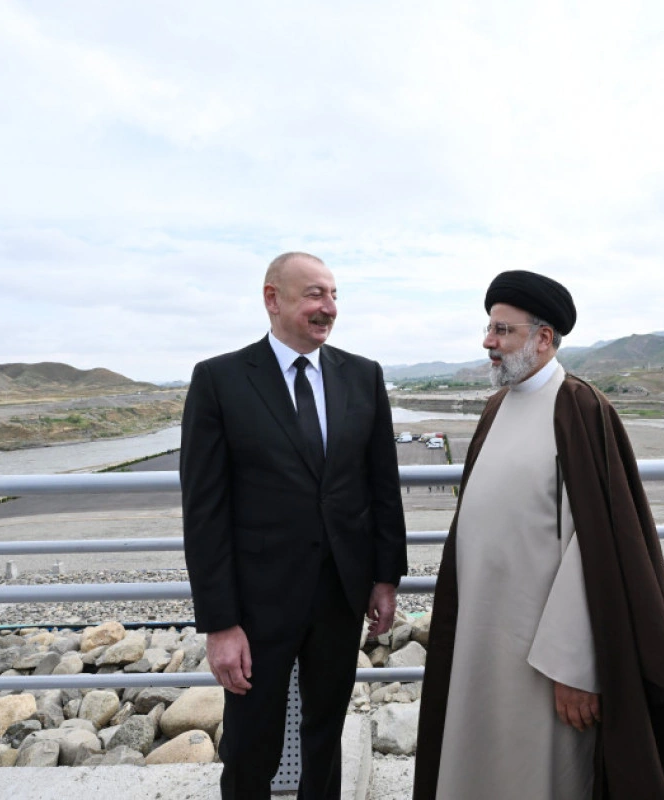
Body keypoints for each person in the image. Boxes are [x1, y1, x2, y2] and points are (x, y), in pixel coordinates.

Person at [414, 270, 664, 799]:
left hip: (541, 662)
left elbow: (595, 552)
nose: (488, 342)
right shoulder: (497, 408)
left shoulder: (579, 408)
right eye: (488, 328)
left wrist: (576, 668)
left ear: (544, 338)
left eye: (503, 330)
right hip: (480, 642)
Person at [180, 252, 407, 799]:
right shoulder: (219, 380)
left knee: (325, 735)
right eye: (314, 294)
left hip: (340, 595)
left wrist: (385, 578)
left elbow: (381, 485)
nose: (328, 307)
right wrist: (220, 624)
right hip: (257, 605)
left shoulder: (363, 375)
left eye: (333, 295)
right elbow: (204, 512)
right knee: (250, 743)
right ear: (272, 299)